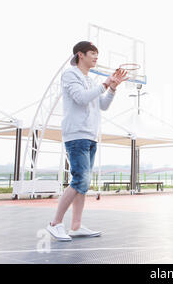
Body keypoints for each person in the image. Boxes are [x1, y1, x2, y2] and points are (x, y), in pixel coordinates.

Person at [46, 41, 128, 241]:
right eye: (92, 53)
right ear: (80, 55)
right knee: (80, 179)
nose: (96, 57)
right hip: (76, 135)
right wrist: (105, 84)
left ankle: (76, 225)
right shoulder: (70, 75)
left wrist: (112, 89)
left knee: (83, 184)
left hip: (90, 136)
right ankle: (55, 223)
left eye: (97, 54)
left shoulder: (91, 80)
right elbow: (81, 98)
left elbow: (103, 105)